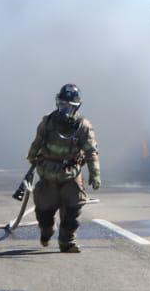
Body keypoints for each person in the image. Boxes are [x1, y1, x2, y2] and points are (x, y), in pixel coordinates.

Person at [25, 83, 101, 252]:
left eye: (69, 106)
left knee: (72, 212)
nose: (64, 109)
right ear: (57, 103)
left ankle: (67, 243)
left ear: (77, 106)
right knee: (44, 213)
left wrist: (95, 175)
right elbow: (36, 143)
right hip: (48, 176)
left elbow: (91, 152)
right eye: (62, 104)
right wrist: (32, 157)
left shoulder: (83, 127)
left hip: (71, 176)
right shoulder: (47, 122)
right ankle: (46, 231)